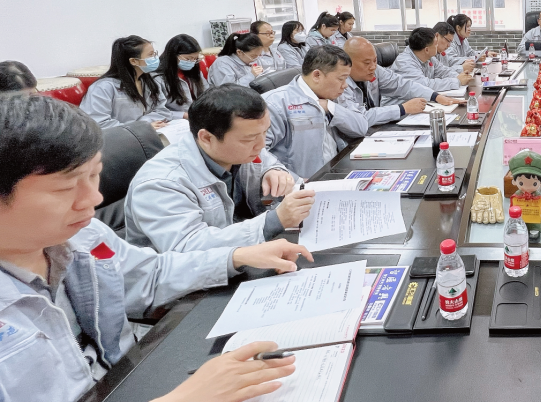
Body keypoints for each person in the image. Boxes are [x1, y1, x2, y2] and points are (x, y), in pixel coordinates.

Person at [0, 95, 312, 402]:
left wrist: (234, 257)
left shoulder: (85, 235)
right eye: (66, 188)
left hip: (126, 375)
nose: (94, 199)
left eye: (95, 175)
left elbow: (149, 275)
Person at [125, 84, 314, 252]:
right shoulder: (162, 182)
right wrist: (274, 221)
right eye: (249, 138)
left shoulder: (241, 148)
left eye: (265, 132)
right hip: (195, 277)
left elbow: (268, 162)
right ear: (207, 138)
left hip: (245, 254)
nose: (261, 145)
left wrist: (275, 171)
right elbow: (188, 248)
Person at [334, 38, 460, 137]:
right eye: (367, 63)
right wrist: (402, 109)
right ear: (348, 62)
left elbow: (402, 84)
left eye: (375, 60)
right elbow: (360, 119)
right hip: (351, 143)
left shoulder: (375, 70)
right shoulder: (339, 85)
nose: (373, 67)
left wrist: (436, 96)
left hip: (375, 131)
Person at [263, 45, 353, 179]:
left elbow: (360, 126)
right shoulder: (275, 103)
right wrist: (295, 180)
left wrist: (333, 108)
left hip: (335, 171)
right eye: (341, 78)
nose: (345, 85)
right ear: (317, 75)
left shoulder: (334, 94)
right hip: (302, 185)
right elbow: (256, 153)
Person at [80, 35, 169, 129]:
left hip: (147, 133)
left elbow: (162, 111)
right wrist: (139, 127)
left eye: (154, 54)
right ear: (134, 61)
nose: (155, 58)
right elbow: (98, 124)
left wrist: (145, 124)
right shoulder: (103, 88)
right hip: (117, 136)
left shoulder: (149, 81)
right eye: (150, 55)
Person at [392, 27, 472, 91]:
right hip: (401, 103)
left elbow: (443, 71)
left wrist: (460, 76)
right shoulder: (405, 62)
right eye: (436, 44)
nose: (437, 46)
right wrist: (457, 81)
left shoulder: (429, 57)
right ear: (426, 50)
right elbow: (425, 85)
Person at [155, 34, 206, 118]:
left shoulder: (194, 71)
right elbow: (158, 110)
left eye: (195, 58)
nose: (192, 62)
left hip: (199, 115)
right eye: (188, 59)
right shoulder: (158, 77)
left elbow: (207, 93)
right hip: (176, 120)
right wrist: (183, 115)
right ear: (173, 55)